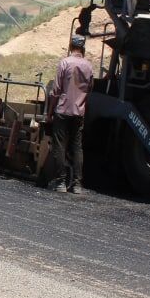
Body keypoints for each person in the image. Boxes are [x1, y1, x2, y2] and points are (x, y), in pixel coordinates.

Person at [46, 34, 93, 193]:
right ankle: (77, 185)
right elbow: (90, 89)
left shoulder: (64, 63)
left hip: (63, 110)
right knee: (77, 147)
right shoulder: (88, 66)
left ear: (70, 46)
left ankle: (60, 182)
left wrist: (49, 112)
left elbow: (56, 91)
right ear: (83, 48)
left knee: (59, 145)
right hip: (79, 112)